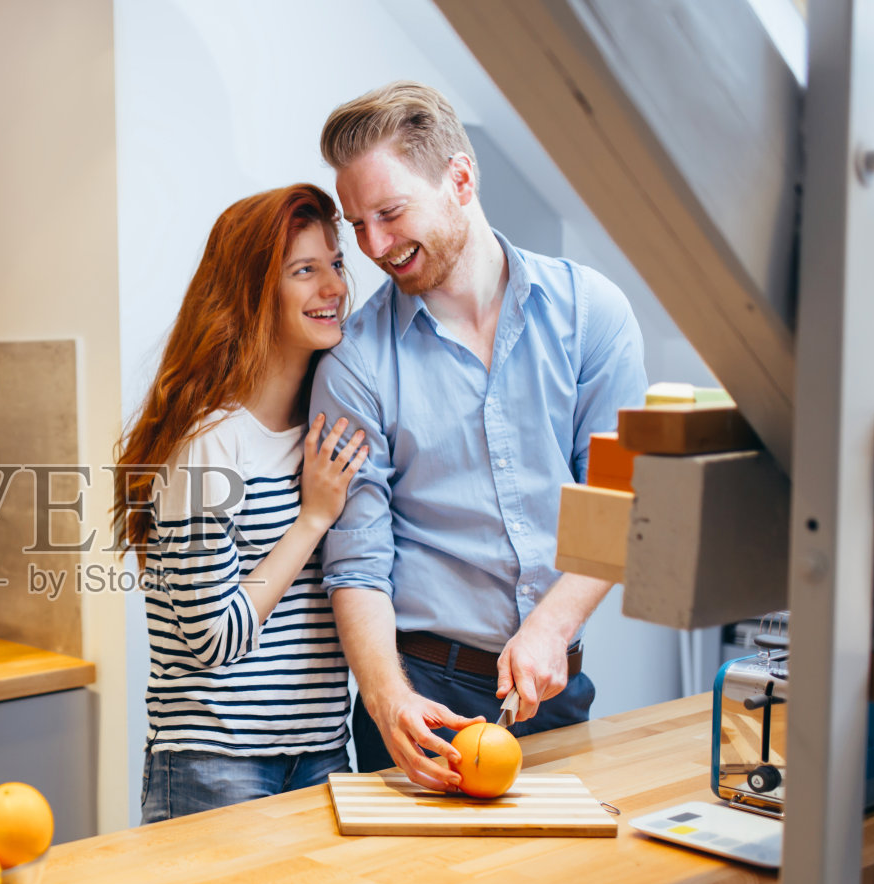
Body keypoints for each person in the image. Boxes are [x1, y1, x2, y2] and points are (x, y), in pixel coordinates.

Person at [310, 82, 648, 791]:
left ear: (460, 178)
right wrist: (386, 698)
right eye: (358, 223)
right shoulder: (355, 361)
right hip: (421, 699)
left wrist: (552, 626)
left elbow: (620, 499)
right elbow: (357, 562)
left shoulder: (593, 315)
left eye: (390, 213)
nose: (373, 245)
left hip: (557, 689)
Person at [114, 184, 369, 822]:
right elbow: (213, 637)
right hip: (215, 766)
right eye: (304, 271)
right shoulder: (208, 442)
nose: (332, 287)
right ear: (253, 291)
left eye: (335, 264)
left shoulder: (325, 424)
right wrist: (312, 519)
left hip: (321, 756)